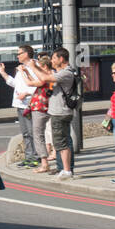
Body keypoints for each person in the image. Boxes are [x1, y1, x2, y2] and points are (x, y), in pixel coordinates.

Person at [0, 44, 39, 166]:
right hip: (20, 104)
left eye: (19, 53)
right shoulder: (21, 68)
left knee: (32, 132)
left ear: (26, 54)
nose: (18, 56)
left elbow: (39, 83)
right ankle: (29, 157)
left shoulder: (34, 66)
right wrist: (2, 72)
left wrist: (26, 93)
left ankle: (36, 157)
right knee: (25, 133)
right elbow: (16, 84)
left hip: (30, 104)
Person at [40, 46, 77, 180]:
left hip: (60, 112)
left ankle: (66, 170)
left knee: (61, 142)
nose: (52, 60)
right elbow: (47, 77)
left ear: (61, 59)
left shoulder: (66, 73)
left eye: (54, 57)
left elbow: (44, 78)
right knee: (64, 141)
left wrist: (32, 67)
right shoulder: (65, 72)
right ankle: (65, 169)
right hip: (62, 111)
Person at [24, 55, 54, 173]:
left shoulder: (46, 76)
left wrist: (23, 73)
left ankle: (44, 163)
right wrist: (27, 72)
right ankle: (55, 161)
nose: (38, 69)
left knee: (38, 135)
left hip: (40, 107)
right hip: (48, 107)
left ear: (45, 66)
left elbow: (30, 83)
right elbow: (36, 81)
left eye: (40, 67)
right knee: (48, 134)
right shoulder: (52, 75)